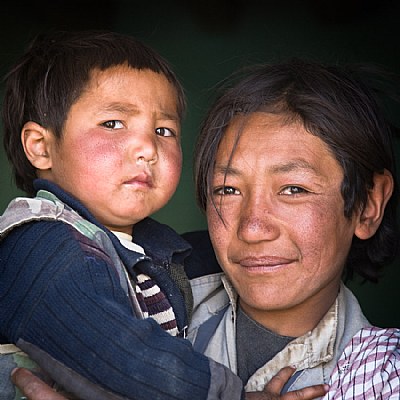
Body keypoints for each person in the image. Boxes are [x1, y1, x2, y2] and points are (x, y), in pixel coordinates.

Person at [0, 31, 327, 400]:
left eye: (163, 130)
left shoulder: (149, 250)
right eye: (113, 123)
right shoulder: (41, 246)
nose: (148, 148)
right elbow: (119, 356)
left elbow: (220, 254)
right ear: (41, 147)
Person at [185, 59, 400, 398]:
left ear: (367, 205)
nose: (253, 229)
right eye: (228, 189)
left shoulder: (384, 377)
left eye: (293, 189)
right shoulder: (146, 309)